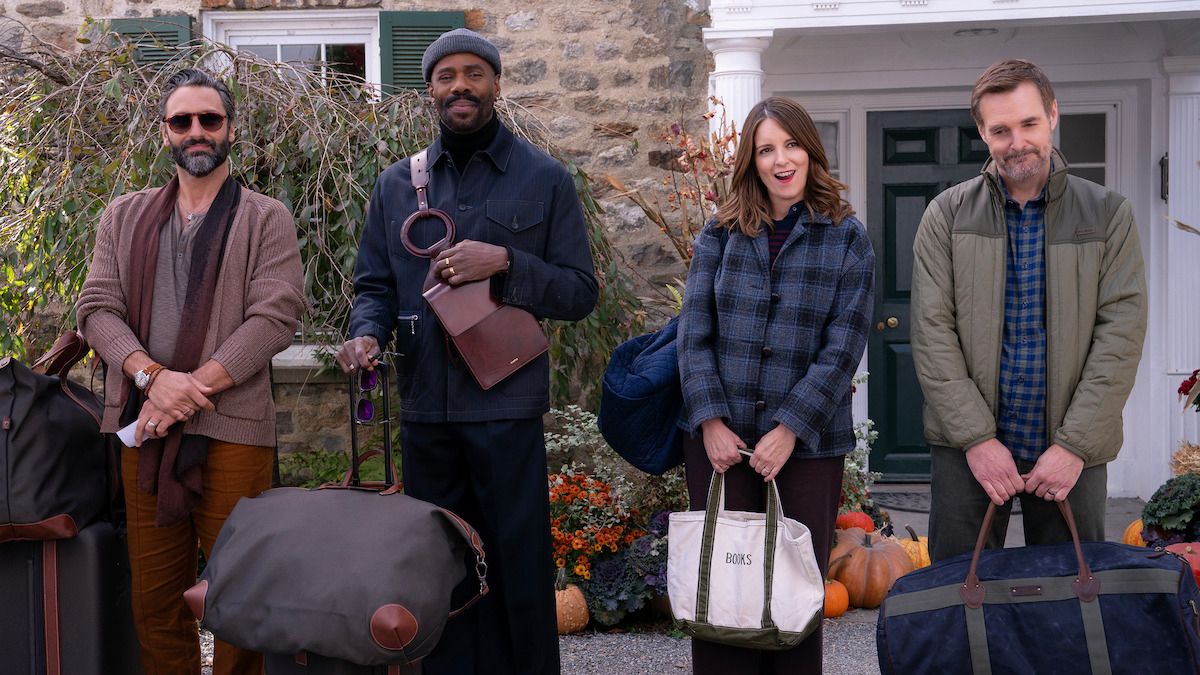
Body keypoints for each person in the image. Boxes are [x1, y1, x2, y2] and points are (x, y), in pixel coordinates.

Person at [335, 28, 597, 675]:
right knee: (444, 571)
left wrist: (504, 262)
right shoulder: (398, 185)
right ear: (428, 89)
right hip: (426, 411)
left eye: (474, 73)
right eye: (446, 74)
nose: (460, 86)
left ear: (496, 85)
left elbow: (579, 291)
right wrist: (366, 332)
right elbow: (373, 284)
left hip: (506, 408)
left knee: (519, 565)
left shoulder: (546, 179)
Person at [76, 68, 306, 674]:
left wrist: (186, 391)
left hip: (233, 432)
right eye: (183, 121)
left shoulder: (266, 217)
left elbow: (275, 317)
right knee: (154, 602)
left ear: (231, 130)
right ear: (164, 134)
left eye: (210, 119)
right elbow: (96, 309)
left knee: (239, 598)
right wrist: (154, 379)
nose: (197, 131)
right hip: (144, 433)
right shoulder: (122, 216)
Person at [911, 59, 1147, 562]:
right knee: (957, 591)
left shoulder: (1108, 214)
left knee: (1069, 599)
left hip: (1068, 448)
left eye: (1028, 124)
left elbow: (1120, 336)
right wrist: (976, 438)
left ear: (1053, 115)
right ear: (982, 132)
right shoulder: (946, 216)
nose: (1016, 141)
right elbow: (933, 333)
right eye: (1000, 130)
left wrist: (1074, 446)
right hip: (966, 447)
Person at [677, 96, 874, 674]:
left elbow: (845, 345)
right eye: (766, 149)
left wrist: (790, 429)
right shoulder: (721, 232)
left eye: (791, 145)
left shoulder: (846, 238)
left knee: (793, 596)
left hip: (808, 446)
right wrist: (710, 420)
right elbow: (694, 330)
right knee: (724, 588)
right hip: (721, 445)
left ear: (811, 152)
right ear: (751, 161)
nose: (781, 159)